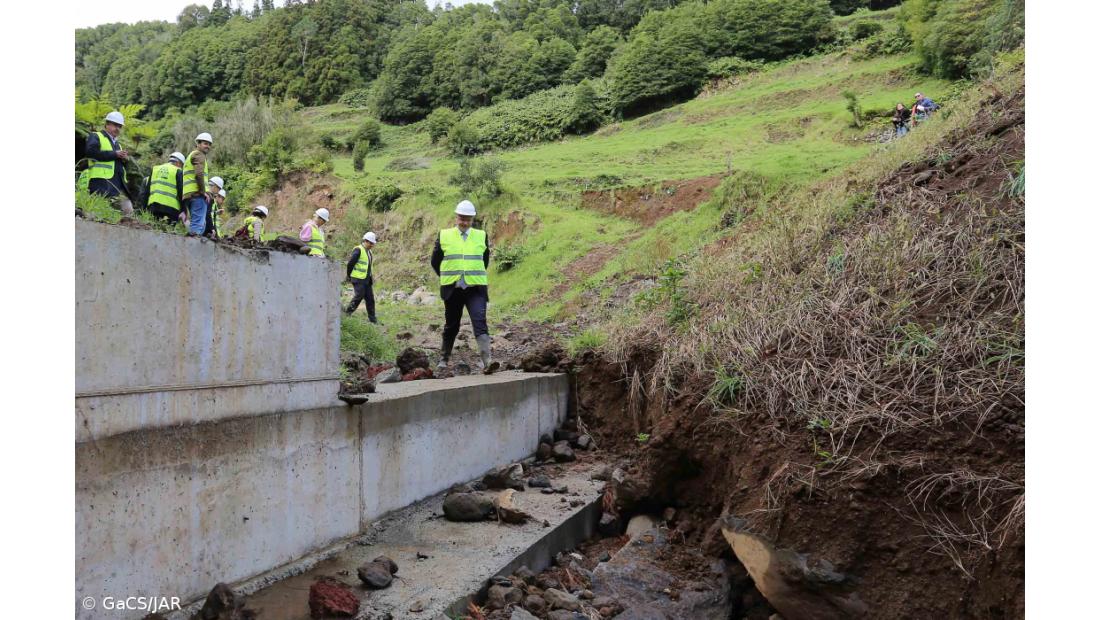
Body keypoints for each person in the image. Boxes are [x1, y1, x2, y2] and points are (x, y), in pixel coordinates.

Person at [431, 200, 497, 373]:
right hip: (452, 288)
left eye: (468, 219)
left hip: (475, 288)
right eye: (462, 218)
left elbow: (484, 261)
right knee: (452, 324)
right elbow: (435, 261)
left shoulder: (481, 235)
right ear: (456, 217)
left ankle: (487, 362)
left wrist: (472, 273)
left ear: (473, 219)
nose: (464, 222)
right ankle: (443, 359)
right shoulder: (444, 235)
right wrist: (448, 275)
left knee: (479, 320)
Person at [84, 111, 134, 216]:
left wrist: (124, 159)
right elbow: (90, 152)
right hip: (100, 184)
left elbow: (117, 163)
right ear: (107, 124)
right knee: (97, 214)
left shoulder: (118, 145)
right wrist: (115, 154)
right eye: (115, 125)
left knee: (127, 210)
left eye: (120, 126)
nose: (118, 128)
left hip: (117, 186)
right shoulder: (96, 136)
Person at [183, 132, 214, 236]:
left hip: (189, 194)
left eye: (209, 144)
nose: (208, 146)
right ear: (198, 144)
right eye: (205, 143)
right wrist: (203, 192)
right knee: (197, 225)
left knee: (199, 224)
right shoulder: (199, 154)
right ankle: (191, 248)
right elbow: (199, 174)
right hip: (197, 195)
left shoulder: (190, 155)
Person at [146, 152, 188, 225]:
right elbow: (181, 192)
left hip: (153, 207)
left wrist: (144, 208)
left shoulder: (155, 169)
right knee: (168, 231)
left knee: (153, 228)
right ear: (178, 163)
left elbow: (147, 190)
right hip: (171, 209)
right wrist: (184, 210)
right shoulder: (178, 171)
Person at [346, 232, 379, 323]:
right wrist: (349, 276)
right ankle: (347, 313)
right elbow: (350, 264)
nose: (372, 245)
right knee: (359, 296)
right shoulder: (358, 250)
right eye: (371, 243)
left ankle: (373, 320)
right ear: (365, 241)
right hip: (358, 278)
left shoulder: (369, 252)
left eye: (373, 243)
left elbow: (368, 266)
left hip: (367, 280)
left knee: (370, 299)